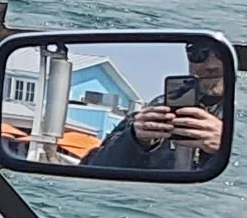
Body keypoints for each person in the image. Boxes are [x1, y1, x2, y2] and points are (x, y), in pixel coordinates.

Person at [88, 40, 229, 176]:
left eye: (222, 54)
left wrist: (225, 145)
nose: (211, 65)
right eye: (198, 53)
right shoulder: (154, 110)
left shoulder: (246, 119)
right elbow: (92, 169)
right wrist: (134, 140)